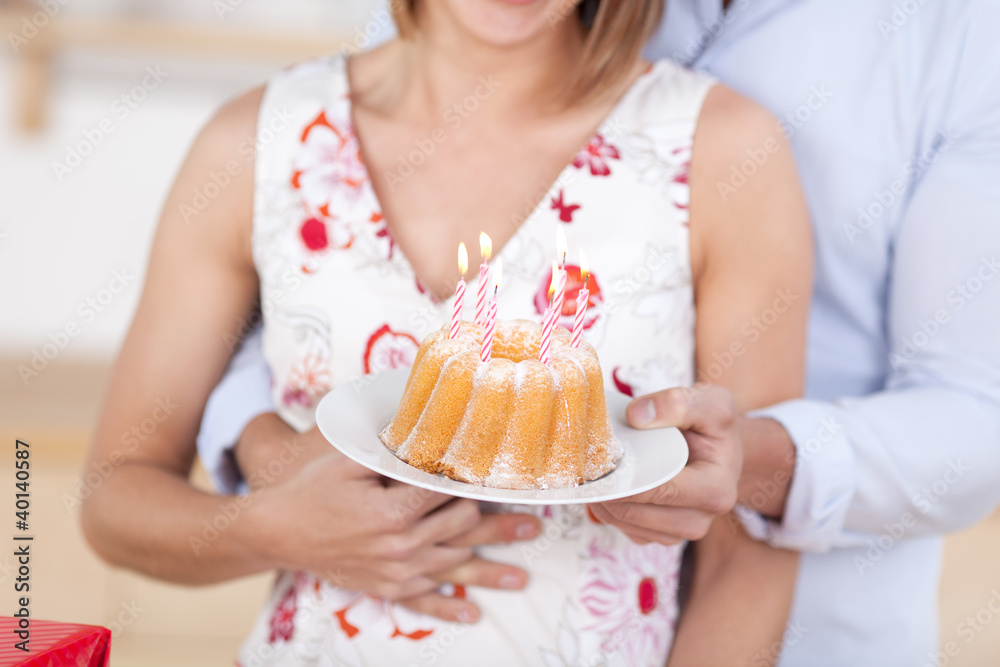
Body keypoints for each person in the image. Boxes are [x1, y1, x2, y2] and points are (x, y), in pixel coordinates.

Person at [198, 0, 1000, 664]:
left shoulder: (956, 32)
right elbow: (329, 266)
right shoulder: (470, 24)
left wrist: (755, 457)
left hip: (811, 624)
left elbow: (976, 409)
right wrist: (262, 441)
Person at [80, 0, 814, 665]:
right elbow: (114, 498)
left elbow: (750, 548)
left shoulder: (722, 151)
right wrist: (270, 529)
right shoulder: (257, 142)